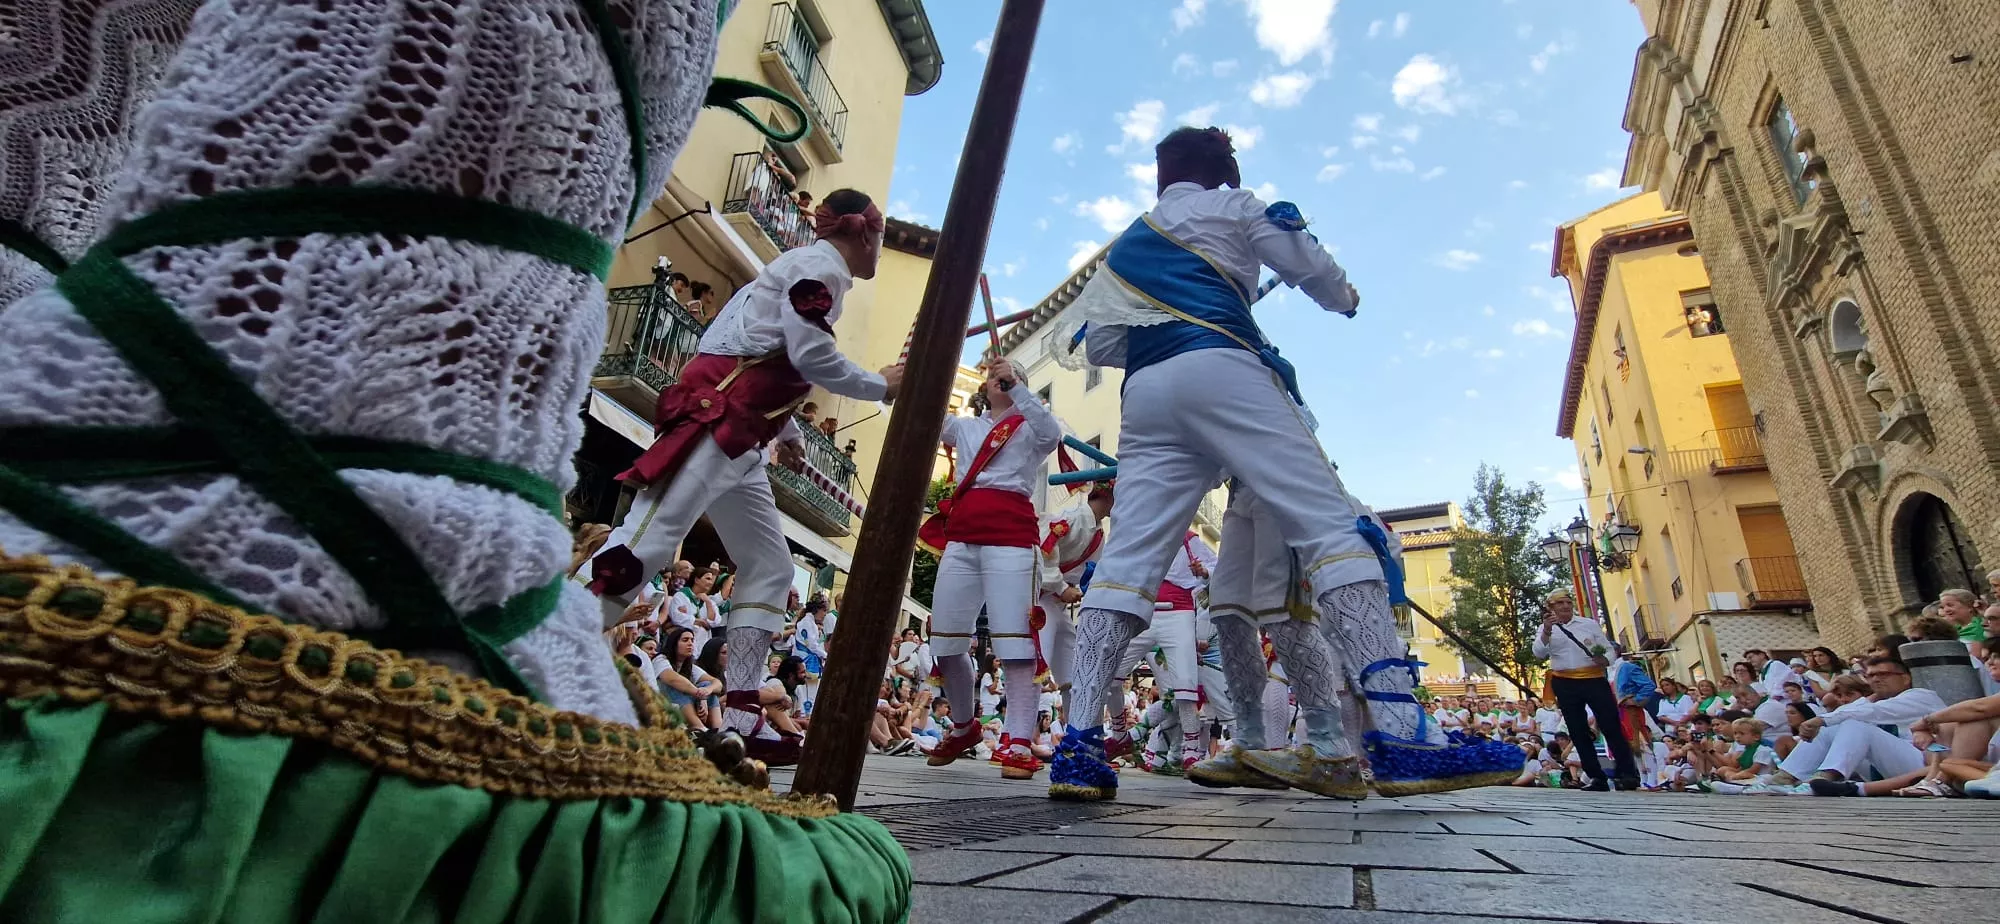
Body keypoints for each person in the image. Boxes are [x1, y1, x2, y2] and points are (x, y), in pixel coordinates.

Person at [1046, 125, 1510, 801]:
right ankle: (1403, 731)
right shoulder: (1234, 207)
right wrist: (1340, 298)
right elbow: (1319, 277)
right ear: (1224, 170)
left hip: (1146, 395)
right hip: (1224, 370)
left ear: (1161, 177)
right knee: (1333, 533)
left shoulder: (1131, 243)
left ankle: (1080, 745)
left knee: (1123, 570)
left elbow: (1102, 345)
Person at [585, 188, 905, 766]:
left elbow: (748, 349)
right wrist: (881, 385)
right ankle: (542, 654)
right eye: (881, 236)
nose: (880, 248)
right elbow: (808, 355)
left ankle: (735, 721)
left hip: (742, 435)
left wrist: (787, 435)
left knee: (769, 565)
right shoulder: (818, 269)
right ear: (865, 232)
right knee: (648, 538)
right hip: (719, 424)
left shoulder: (796, 268)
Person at [917, 357, 1061, 780]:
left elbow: (1052, 434)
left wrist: (1018, 389)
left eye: (1013, 373)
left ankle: (1018, 740)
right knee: (945, 641)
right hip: (961, 539)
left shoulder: (1031, 424)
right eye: (998, 374)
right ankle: (964, 727)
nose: (1002, 377)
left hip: (1012, 540)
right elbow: (922, 415)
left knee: (1015, 643)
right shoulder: (965, 426)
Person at [1189, 483, 1373, 798]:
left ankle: (1330, 747)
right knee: (1228, 609)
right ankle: (1249, 744)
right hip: (1239, 492)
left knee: (1284, 603)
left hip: (1276, 477)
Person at [1531, 589, 1641, 790]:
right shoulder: (1546, 628)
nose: (1565, 606)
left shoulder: (1588, 624)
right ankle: (1596, 777)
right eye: (1559, 603)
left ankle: (1627, 774)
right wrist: (1547, 630)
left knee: (1610, 725)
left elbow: (1608, 649)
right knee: (1578, 730)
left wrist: (1604, 659)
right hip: (1565, 681)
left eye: (1568, 602)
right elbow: (1538, 653)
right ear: (1551, 608)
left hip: (1593, 678)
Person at [1036, 480, 1116, 723]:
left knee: (1073, 673)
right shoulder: (1075, 517)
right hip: (1040, 601)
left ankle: (1075, 736)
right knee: (1037, 669)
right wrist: (1060, 587)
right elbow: (1044, 547)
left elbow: (1090, 572)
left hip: (1058, 606)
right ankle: (1018, 739)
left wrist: (1079, 590)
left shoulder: (1098, 531)